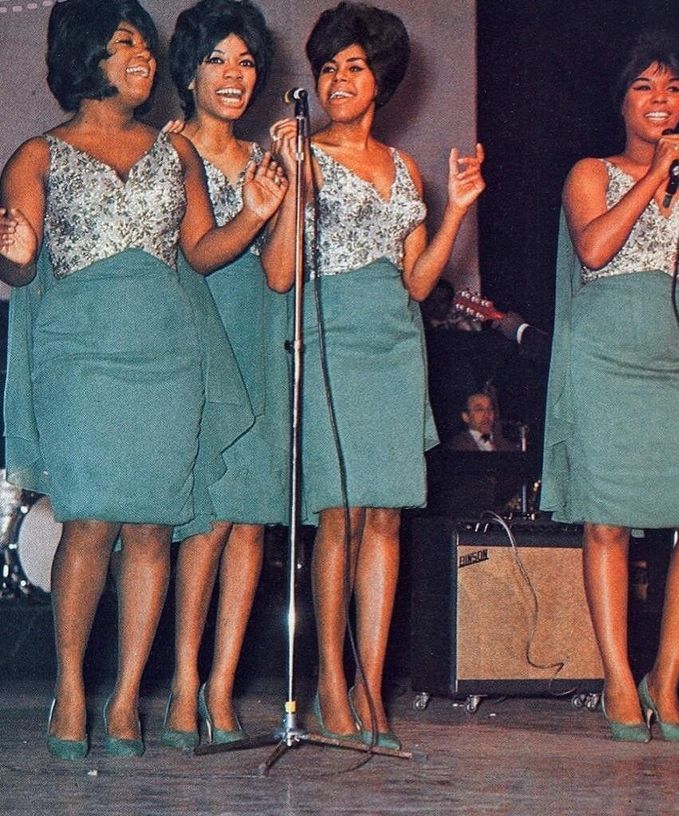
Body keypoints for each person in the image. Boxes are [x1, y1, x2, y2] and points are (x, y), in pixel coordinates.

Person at [0, 0, 286, 759]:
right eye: (128, 44)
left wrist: (255, 214)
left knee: (154, 526)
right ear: (87, 53)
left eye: (148, 49)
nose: (146, 60)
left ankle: (125, 698)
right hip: (81, 354)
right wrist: (10, 249)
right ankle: (70, 687)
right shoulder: (39, 155)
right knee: (90, 521)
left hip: (167, 351)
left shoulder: (175, 153)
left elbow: (200, 252)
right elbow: (20, 264)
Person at [265, 1, 484, 748]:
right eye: (327, 67)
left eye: (353, 66)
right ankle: (330, 680)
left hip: (395, 345)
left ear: (381, 79)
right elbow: (278, 273)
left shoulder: (403, 166)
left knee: (385, 516)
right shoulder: (303, 155)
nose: (336, 79)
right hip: (327, 338)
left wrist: (455, 213)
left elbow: (420, 281)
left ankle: (372, 687)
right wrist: (295, 177)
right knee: (342, 517)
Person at [541, 31, 679, 743]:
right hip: (602, 363)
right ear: (621, 101)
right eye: (645, 88)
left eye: (672, 88)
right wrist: (655, 174)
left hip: (671, 367)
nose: (661, 100)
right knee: (609, 523)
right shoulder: (588, 172)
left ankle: (666, 679)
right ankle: (620, 681)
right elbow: (594, 247)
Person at [161, 0, 294, 749]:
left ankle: (222, 689)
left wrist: (293, 187)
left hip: (257, 330)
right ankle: (182, 688)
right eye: (218, 59)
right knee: (206, 523)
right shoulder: (173, 150)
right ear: (190, 69)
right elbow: (201, 251)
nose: (235, 74)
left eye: (245, 60)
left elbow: (278, 275)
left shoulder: (263, 160)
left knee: (250, 522)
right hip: (198, 336)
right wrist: (253, 213)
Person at [445, 391, 518, 452]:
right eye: (479, 410)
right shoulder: (456, 446)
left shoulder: (507, 446)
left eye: (490, 409)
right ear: (466, 417)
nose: (487, 415)